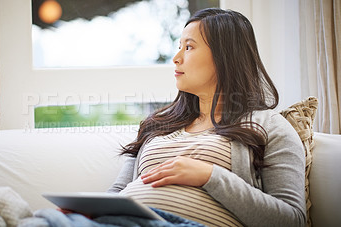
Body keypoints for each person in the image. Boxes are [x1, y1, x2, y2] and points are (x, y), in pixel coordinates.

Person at [107, 8, 306, 227]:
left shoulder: (270, 126)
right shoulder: (157, 125)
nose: (176, 58)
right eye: (179, 47)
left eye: (189, 47)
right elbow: (116, 193)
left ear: (225, 56)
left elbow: (292, 220)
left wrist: (210, 176)